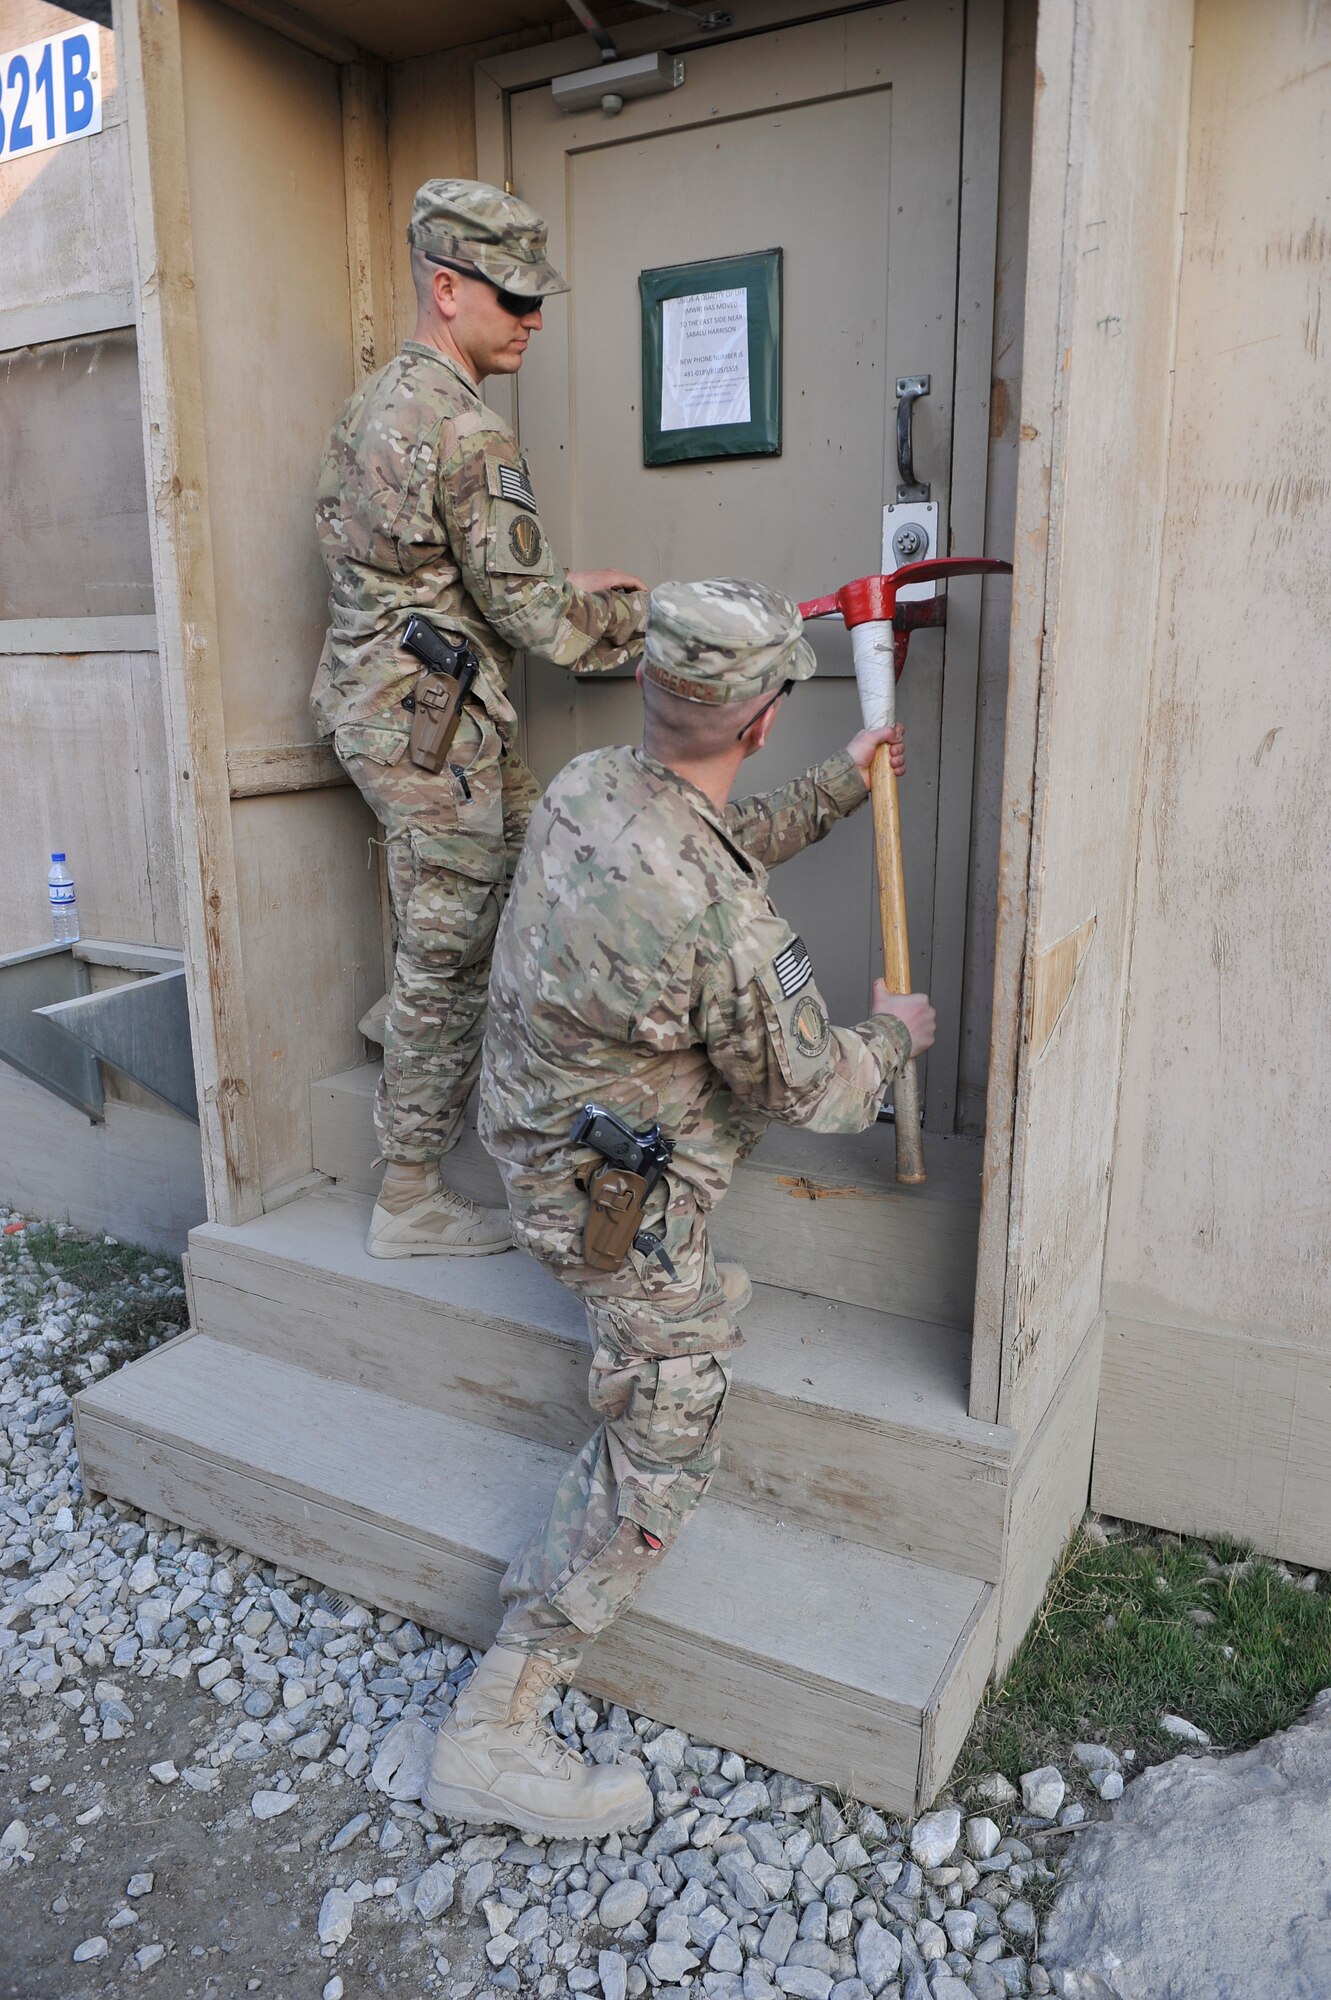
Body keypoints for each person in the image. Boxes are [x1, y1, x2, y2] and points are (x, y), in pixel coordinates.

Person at [389, 578, 935, 1838]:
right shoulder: (725, 923)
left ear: (648, 685)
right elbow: (813, 1082)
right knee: (674, 1417)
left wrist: (845, 782)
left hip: (529, 1137)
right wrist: (893, 1036)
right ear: (759, 721)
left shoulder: (588, 786)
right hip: (610, 1209)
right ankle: (496, 1726)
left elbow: (697, 853)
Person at [313, 178, 648, 1259]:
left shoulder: (375, 403)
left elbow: (413, 566)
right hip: (431, 729)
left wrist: (548, 582)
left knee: (497, 890)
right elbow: (530, 613)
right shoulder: (468, 431)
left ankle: (423, 1032)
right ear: (447, 289)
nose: (534, 320)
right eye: (514, 298)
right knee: (449, 953)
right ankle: (409, 1191)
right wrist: (659, 635)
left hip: (395, 706)